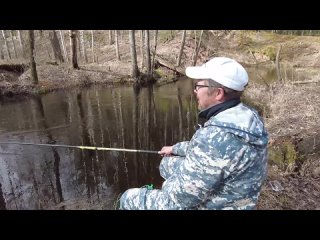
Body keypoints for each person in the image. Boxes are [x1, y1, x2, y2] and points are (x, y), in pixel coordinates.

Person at [119, 57, 268, 210]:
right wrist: (175, 149)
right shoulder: (248, 117)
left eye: (198, 85)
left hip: (217, 205)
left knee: (128, 198)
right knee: (166, 163)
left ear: (218, 93)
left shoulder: (214, 138)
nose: (195, 90)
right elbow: (214, 151)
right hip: (239, 197)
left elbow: (176, 204)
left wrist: (167, 188)